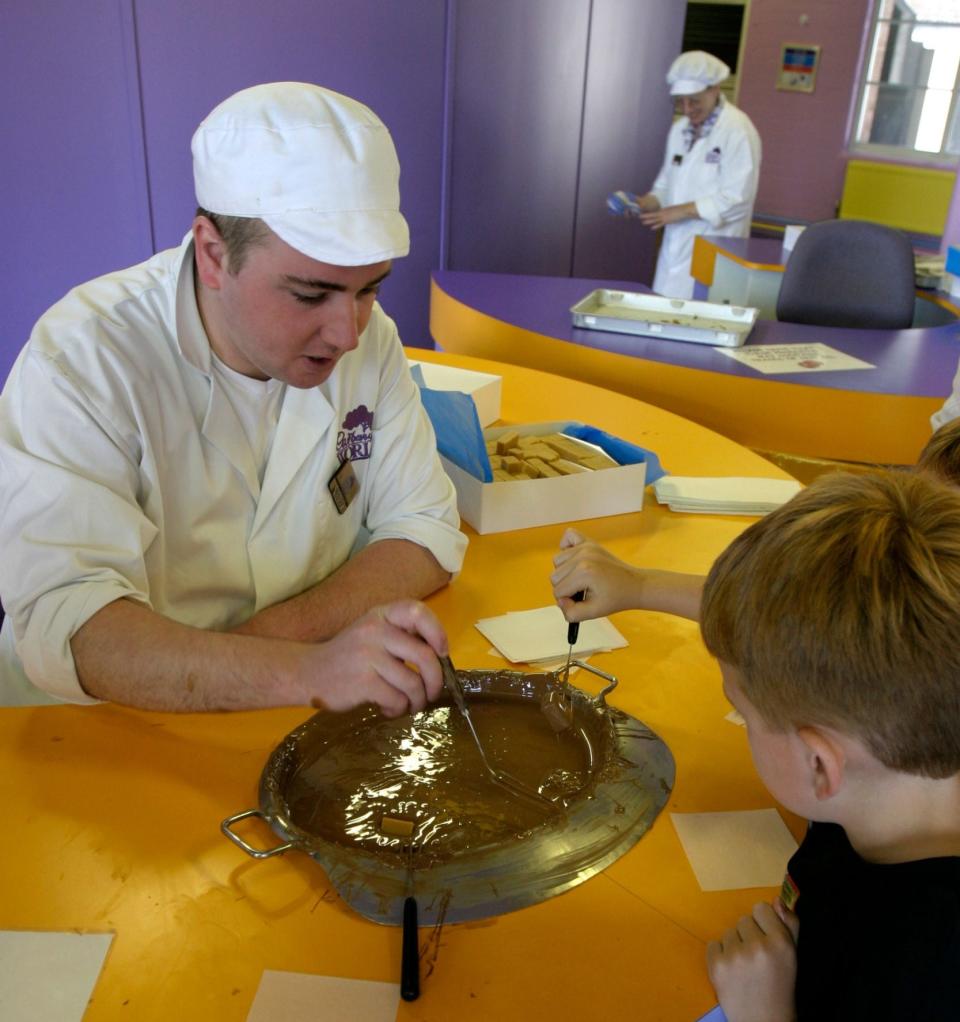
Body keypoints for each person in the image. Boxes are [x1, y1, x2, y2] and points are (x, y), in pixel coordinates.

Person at [0, 82, 467, 714]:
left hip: (287, 704)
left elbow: (423, 532)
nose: (348, 332)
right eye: (310, 295)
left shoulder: (371, 340)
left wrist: (264, 655)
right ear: (214, 254)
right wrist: (301, 670)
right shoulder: (83, 359)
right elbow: (72, 624)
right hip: (102, 733)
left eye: (370, 290)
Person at [555, 470, 960, 1019]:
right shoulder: (905, 768)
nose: (743, 721)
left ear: (821, 766)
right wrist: (642, 586)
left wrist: (765, 1012)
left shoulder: (915, 978)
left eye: (743, 713)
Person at [609, 50, 761, 300]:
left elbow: (738, 199)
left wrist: (681, 211)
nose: (687, 109)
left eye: (694, 100)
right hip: (674, 254)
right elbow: (667, 186)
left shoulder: (737, 130)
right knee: (663, 321)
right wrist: (642, 203)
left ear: (715, 89)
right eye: (681, 101)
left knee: (702, 325)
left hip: (717, 254)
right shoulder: (680, 131)